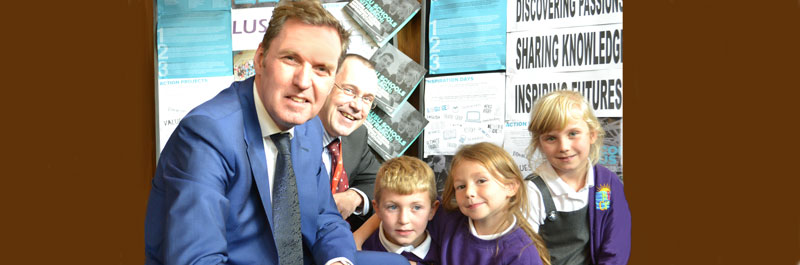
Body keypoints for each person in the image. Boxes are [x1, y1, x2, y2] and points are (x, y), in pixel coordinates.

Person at [145, 1, 408, 264]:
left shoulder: (309, 126)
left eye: (321, 69)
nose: (303, 82)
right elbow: (197, 260)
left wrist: (338, 261)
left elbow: (325, 219)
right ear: (260, 60)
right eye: (291, 59)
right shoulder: (206, 135)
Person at [355, 143, 551, 265]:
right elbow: (400, 203)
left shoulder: (522, 253)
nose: (470, 193)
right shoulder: (449, 217)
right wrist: (356, 238)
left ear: (511, 187)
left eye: (481, 181)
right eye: (460, 186)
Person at [525, 90, 631, 265]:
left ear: (592, 134)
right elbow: (522, 253)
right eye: (551, 138)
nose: (564, 147)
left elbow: (616, 248)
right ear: (539, 144)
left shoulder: (607, 184)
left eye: (573, 134)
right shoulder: (532, 190)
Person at [317, 54, 382, 230]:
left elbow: (380, 182)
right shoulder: (292, 134)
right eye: (349, 90)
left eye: (367, 99)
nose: (357, 106)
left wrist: (354, 197)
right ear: (326, 86)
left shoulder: (356, 136)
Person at [360, 156, 440, 264]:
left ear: (432, 210)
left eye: (416, 207)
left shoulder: (447, 251)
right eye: (393, 207)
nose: (403, 220)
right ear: (377, 209)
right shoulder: (360, 251)